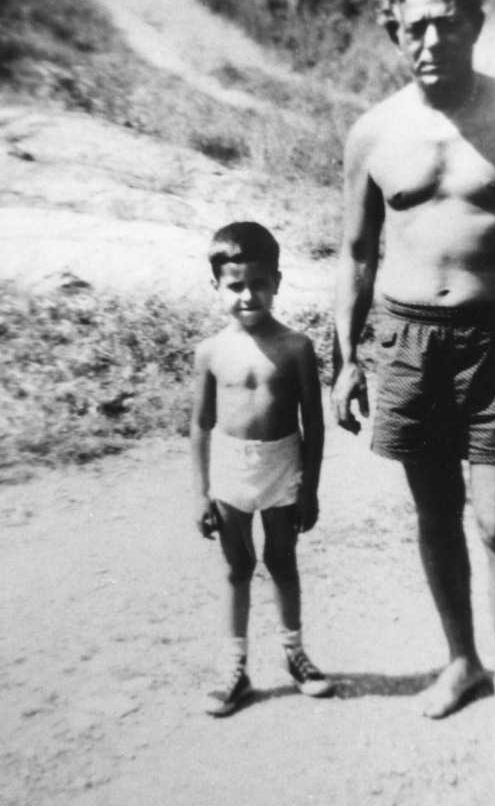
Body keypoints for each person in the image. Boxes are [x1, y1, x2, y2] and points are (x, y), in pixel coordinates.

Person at [333, 0, 495, 750]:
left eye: (446, 22)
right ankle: (461, 661)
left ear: (473, 23)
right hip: (405, 340)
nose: (430, 38)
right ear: (394, 32)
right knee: (434, 514)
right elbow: (353, 252)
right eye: (414, 26)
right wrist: (345, 357)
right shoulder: (373, 130)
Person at [191, 221, 334, 717]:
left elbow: (314, 425)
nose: (248, 296)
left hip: (282, 466)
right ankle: (235, 668)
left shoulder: (297, 347)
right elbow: (200, 424)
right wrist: (199, 493)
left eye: (259, 284)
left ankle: (296, 656)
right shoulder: (209, 352)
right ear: (217, 287)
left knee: (281, 560)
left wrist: (310, 488)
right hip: (231, 470)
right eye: (235, 286)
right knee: (237, 568)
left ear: (277, 280)